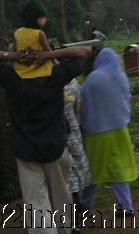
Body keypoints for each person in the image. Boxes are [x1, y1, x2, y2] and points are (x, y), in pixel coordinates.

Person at [0, 44, 92, 233]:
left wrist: (12, 56)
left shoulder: (11, 78)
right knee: (61, 195)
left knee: (36, 202)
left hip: (26, 150)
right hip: (55, 147)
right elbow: (84, 51)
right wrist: (48, 55)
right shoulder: (55, 76)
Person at [79, 48, 138, 215]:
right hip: (119, 130)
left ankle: (83, 205)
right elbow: (126, 100)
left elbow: (83, 101)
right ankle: (126, 207)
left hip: (97, 131)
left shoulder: (94, 78)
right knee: (118, 169)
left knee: (92, 169)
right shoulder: (122, 77)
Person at [64, 78, 91, 226]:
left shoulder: (48, 80)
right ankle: (75, 214)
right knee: (74, 169)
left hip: (54, 130)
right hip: (72, 129)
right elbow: (78, 109)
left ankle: (70, 215)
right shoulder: (73, 83)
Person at [14, 0, 54, 79]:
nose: (45, 20)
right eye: (42, 18)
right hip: (40, 69)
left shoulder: (17, 32)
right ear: (33, 18)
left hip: (22, 69)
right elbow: (49, 52)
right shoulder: (39, 33)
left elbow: (16, 51)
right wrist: (56, 62)